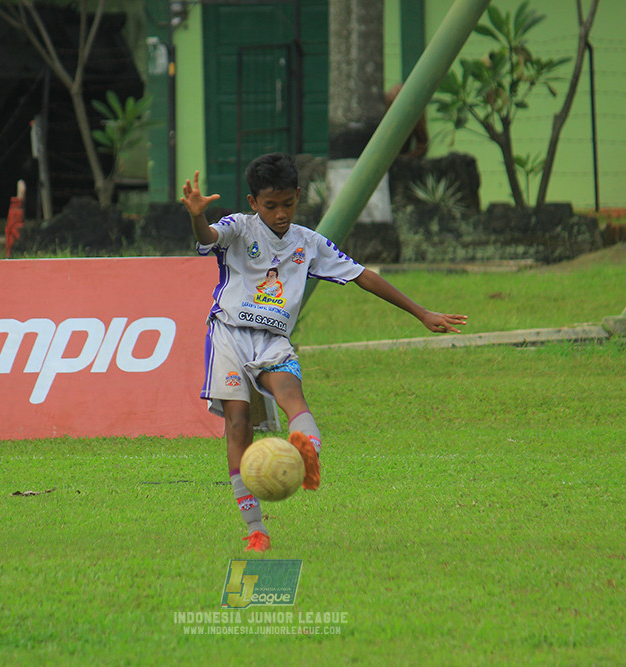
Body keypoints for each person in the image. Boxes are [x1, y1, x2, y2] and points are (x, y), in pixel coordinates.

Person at [181, 152, 466, 553]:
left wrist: (422, 313)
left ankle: (307, 454)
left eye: (288, 203)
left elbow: (362, 275)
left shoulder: (309, 243)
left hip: (274, 339)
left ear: (298, 196)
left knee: (291, 395)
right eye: (270, 205)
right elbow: (209, 237)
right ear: (253, 202)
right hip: (229, 334)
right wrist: (197, 217)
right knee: (238, 422)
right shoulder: (239, 227)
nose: (281, 213)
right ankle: (256, 530)